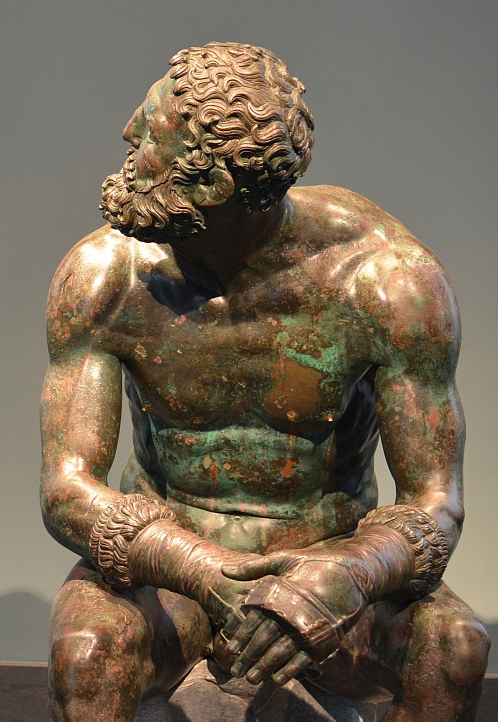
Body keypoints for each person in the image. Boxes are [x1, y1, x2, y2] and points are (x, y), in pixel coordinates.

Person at [41, 42, 490, 721]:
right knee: (86, 652)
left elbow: (436, 500)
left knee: (453, 647)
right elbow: (66, 488)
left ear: (216, 187)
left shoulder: (385, 281)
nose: (129, 135)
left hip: (326, 567)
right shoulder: (108, 277)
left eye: (154, 133)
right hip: (174, 577)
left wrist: (346, 575)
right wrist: (197, 568)